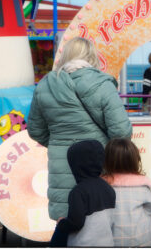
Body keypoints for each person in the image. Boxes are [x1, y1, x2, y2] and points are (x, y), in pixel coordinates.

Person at [27, 36, 132, 222]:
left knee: (67, 223)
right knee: (99, 223)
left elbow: (35, 129)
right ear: (92, 56)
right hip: (97, 165)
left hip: (61, 164)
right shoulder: (102, 84)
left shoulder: (45, 85)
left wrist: (58, 142)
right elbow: (121, 132)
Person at [50, 140, 115, 247]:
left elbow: (76, 223)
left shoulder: (78, 192)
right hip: (106, 242)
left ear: (76, 166)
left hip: (84, 243)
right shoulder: (108, 188)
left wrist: (61, 223)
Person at [102, 138, 151, 247]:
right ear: (135, 160)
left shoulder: (103, 186)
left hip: (113, 241)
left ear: (106, 160)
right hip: (142, 240)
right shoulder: (142, 186)